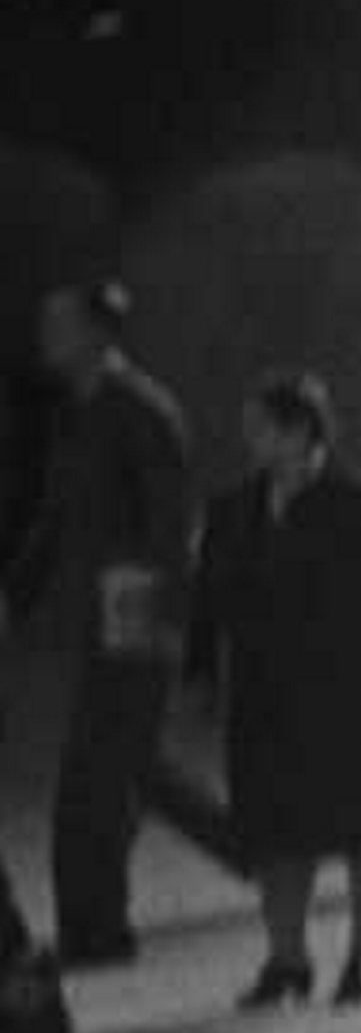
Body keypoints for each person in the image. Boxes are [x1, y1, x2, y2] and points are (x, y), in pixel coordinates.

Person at [184, 372, 361, 1008]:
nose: (251, 441)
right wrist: (201, 673)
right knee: (274, 836)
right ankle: (286, 957)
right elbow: (206, 602)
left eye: (263, 428)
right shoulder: (232, 510)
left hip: (352, 692)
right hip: (265, 696)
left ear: (301, 432)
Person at [7, 282, 195, 969]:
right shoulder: (76, 416)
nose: (45, 334)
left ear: (96, 332)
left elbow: (170, 528)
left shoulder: (140, 411)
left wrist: (153, 625)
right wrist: (17, 595)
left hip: (133, 630)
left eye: (58, 322)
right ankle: (90, 927)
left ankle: (100, 931)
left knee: (102, 782)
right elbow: (56, 523)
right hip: (94, 627)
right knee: (109, 776)